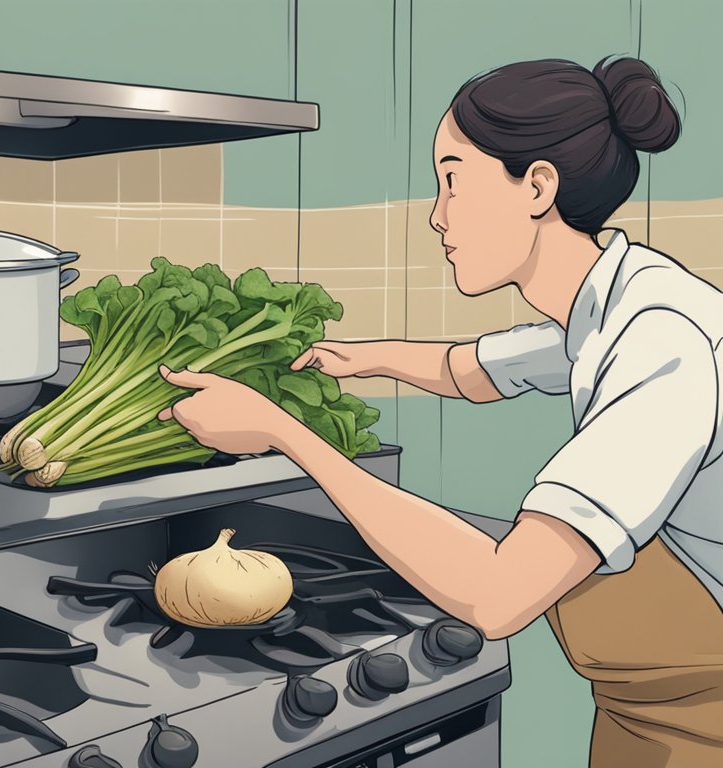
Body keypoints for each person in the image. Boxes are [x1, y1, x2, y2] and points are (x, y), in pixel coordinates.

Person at [158, 55, 722, 767]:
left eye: (453, 180)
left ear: (538, 186)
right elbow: (477, 370)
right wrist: (360, 357)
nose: (436, 213)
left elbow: (498, 593)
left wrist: (284, 432)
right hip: (653, 711)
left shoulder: (661, 346)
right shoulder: (615, 301)